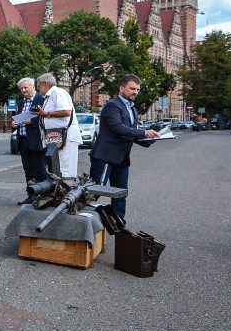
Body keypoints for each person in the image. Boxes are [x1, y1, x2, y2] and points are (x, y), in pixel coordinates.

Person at [89, 74, 160, 222]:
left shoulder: (132, 109)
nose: (135, 92)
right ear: (122, 88)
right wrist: (143, 132)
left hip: (122, 159)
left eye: (137, 89)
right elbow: (118, 128)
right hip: (105, 157)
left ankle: (118, 223)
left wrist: (146, 140)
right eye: (132, 88)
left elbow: (129, 133)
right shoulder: (112, 106)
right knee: (94, 192)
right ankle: (83, 222)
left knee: (121, 193)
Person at [33, 73, 81, 180]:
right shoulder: (50, 96)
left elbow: (66, 111)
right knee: (56, 170)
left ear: (46, 84)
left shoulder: (58, 92)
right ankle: (59, 193)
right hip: (56, 137)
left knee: (64, 170)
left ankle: (67, 193)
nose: (38, 88)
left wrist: (47, 114)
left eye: (38, 85)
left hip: (65, 138)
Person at [12, 77, 47, 204]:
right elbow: (18, 119)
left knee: (40, 170)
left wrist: (31, 121)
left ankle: (43, 196)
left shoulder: (41, 100)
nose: (23, 90)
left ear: (33, 87)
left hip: (37, 140)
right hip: (23, 141)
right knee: (28, 170)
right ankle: (31, 196)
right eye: (21, 88)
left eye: (26, 87)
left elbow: (46, 118)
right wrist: (14, 124)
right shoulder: (21, 103)